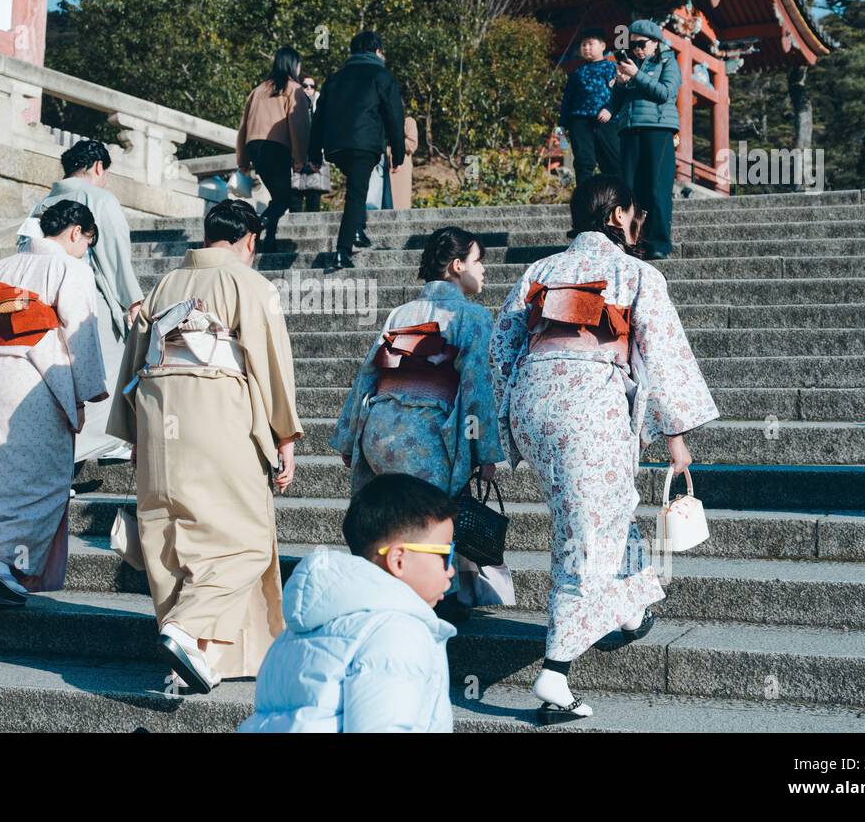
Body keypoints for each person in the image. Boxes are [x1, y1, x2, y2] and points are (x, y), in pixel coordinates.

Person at [489, 174, 718, 723]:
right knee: (584, 535)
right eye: (633, 214)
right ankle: (556, 672)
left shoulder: (539, 271)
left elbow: (501, 347)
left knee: (603, 512)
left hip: (535, 403)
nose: (637, 222)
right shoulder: (634, 273)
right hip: (589, 404)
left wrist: (509, 420)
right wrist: (675, 437)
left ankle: (632, 607)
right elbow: (661, 358)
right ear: (618, 216)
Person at [107, 199, 303, 692]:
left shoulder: (165, 285)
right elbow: (271, 362)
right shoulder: (250, 284)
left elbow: (133, 361)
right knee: (246, 539)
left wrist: (134, 432)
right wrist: (284, 435)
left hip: (158, 417)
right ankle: (187, 629)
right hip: (218, 414)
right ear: (251, 240)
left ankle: (190, 660)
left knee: (170, 540)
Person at [331, 226, 510, 618]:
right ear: (457, 265)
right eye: (479, 262)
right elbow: (477, 387)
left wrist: (349, 438)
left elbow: (368, 374)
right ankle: (430, 599)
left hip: (380, 430)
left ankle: (383, 587)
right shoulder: (473, 317)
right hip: (428, 436)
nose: (484, 271)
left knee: (394, 517)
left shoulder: (402, 313)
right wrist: (485, 452)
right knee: (431, 519)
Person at [0, 200, 109, 606]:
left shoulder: (1, 267)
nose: (86, 249)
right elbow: (80, 335)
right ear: (74, 232)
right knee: (45, 477)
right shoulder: (69, 267)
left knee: (4, 474)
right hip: (36, 374)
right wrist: (86, 392)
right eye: (87, 240)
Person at [238, 473, 457, 733]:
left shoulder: (300, 630)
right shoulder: (398, 632)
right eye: (446, 554)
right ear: (398, 559)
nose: (451, 570)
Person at [16, 139, 144, 464]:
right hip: (89, 295)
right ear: (99, 167)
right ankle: (104, 442)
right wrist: (132, 299)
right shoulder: (100, 197)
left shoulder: (44, 203)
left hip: (40, 297)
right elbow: (114, 252)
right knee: (106, 365)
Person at [309, 30, 406, 270]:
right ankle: (342, 251)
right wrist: (399, 152)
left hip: (336, 145)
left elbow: (318, 116)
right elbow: (394, 116)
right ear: (376, 51)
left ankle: (358, 230)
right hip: (365, 144)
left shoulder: (334, 78)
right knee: (356, 193)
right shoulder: (382, 76)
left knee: (356, 186)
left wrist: (313, 153)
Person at [606, 19, 681, 260]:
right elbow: (615, 105)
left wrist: (637, 75)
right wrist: (619, 84)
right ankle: (633, 241)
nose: (637, 49)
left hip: (658, 129)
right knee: (630, 190)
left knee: (657, 188)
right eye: (632, 45)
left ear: (656, 43)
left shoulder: (668, 62)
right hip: (629, 129)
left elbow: (666, 93)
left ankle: (659, 243)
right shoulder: (630, 64)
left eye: (641, 44)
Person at [236, 46, 313, 252]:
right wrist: (300, 157)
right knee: (284, 198)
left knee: (278, 195)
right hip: (277, 148)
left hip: (255, 148)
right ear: (293, 64)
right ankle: (257, 227)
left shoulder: (258, 90)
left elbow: (243, 126)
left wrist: (242, 160)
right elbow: (299, 125)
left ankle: (269, 239)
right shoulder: (293, 89)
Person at [559, 27, 621, 186]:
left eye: (590, 44)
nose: (586, 48)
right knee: (583, 162)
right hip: (579, 121)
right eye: (583, 45)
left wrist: (610, 109)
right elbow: (568, 99)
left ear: (602, 46)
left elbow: (619, 92)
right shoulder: (577, 72)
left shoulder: (611, 68)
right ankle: (585, 200)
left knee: (613, 161)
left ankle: (616, 199)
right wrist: (562, 124)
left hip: (606, 121)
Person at [290, 76, 331, 213]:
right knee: (295, 202)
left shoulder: (320, 106)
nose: (308, 88)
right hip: (296, 158)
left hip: (315, 157)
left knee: (313, 203)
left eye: (312, 86)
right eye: (305, 85)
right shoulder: (292, 105)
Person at [388, 106, 419, 209]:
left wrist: (394, 140)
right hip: (385, 166)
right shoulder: (382, 123)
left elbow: (412, 144)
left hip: (402, 166)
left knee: (401, 202)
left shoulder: (409, 122)